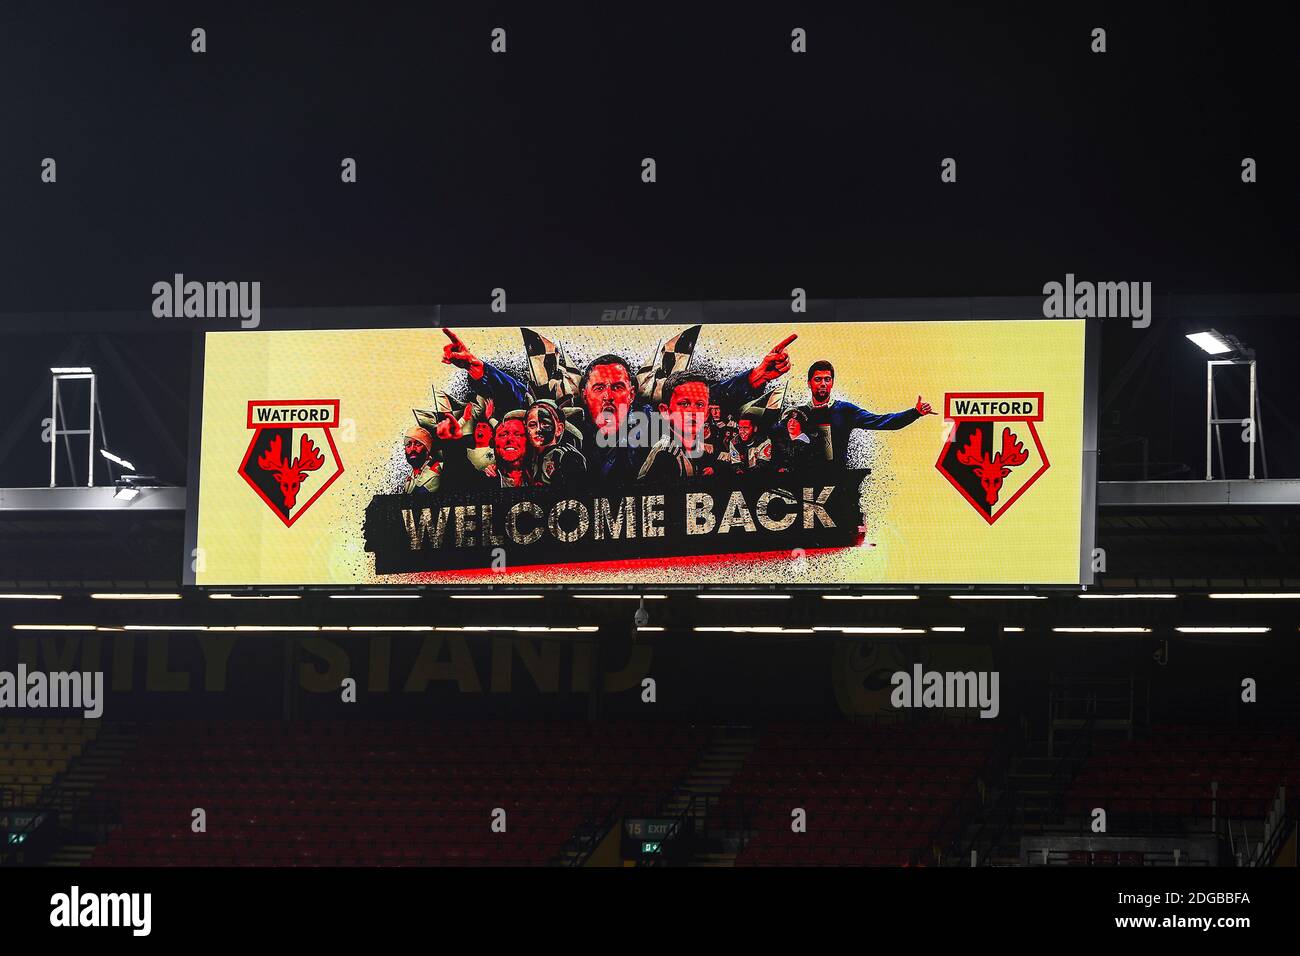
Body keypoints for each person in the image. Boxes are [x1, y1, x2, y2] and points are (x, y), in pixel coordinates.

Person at [440, 327, 801, 484]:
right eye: (599, 388)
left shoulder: (653, 423)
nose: (609, 395)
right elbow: (524, 399)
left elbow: (706, 397)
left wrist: (757, 377)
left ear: (632, 394)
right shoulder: (568, 429)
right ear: (584, 396)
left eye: (617, 387)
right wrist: (476, 367)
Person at [797, 360, 935, 469]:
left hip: (836, 483)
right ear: (809, 383)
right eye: (818, 379)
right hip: (804, 483)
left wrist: (915, 413)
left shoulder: (845, 411)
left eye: (827, 379)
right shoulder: (798, 414)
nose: (823, 384)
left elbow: (882, 421)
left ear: (832, 383)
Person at [637, 372, 714, 481]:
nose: (693, 412)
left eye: (700, 404)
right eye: (684, 404)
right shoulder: (665, 456)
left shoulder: (692, 448)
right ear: (665, 411)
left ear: (707, 413)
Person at [525, 398, 586, 486]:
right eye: (532, 425)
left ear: (559, 429)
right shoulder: (531, 458)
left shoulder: (567, 456)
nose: (538, 429)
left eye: (545, 424)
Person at [402, 426, 441, 493]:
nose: (412, 449)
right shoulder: (413, 473)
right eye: (408, 445)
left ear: (427, 450)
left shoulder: (433, 473)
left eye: (418, 444)